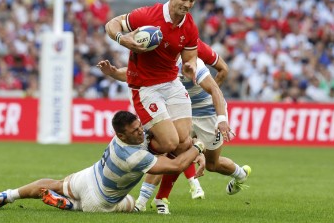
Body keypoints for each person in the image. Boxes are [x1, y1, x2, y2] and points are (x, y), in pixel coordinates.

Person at [97, 39, 251, 214]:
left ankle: (240, 174)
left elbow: (215, 89)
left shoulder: (193, 64)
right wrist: (113, 72)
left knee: (212, 164)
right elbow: (133, 74)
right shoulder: (158, 63)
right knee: (171, 146)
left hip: (208, 113)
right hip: (183, 109)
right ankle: (148, 201)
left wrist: (221, 119)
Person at [0, 111, 206, 212]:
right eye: (135, 131)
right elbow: (176, 165)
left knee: (53, 183)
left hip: (88, 177)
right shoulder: (134, 156)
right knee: (131, 205)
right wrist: (198, 147)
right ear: (121, 135)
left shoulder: (120, 137)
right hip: (101, 201)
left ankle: (8, 194)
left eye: (140, 127)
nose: (141, 133)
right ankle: (72, 205)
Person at [104, 0, 199, 159]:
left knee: (184, 142)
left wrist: (191, 67)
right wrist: (121, 39)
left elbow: (191, 57)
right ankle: (129, 154)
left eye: (192, 0)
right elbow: (112, 25)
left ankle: (148, 172)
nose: (187, 4)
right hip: (146, 87)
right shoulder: (147, 15)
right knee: (169, 143)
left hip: (172, 83)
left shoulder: (190, 26)